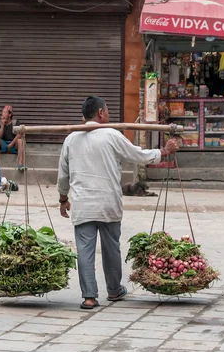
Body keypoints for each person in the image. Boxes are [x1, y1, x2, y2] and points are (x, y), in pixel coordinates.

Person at [57, 96, 180, 310]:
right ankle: (114, 289)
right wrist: (163, 152)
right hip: (108, 203)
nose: (109, 114)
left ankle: (89, 297)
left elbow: (63, 175)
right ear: (101, 113)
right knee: (111, 248)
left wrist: (63, 198)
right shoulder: (112, 135)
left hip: (83, 203)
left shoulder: (71, 139)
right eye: (108, 111)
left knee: (84, 250)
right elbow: (138, 155)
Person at [0, 105, 25, 171]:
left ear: (10, 114)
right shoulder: (0, 123)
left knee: (20, 141)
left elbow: (19, 134)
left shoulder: (15, 122)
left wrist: (11, 144)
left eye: (5, 112)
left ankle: (20, 164)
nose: (2, 114)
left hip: (13, 145)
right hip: (4, 145)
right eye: (2, 113)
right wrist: (2, 126)